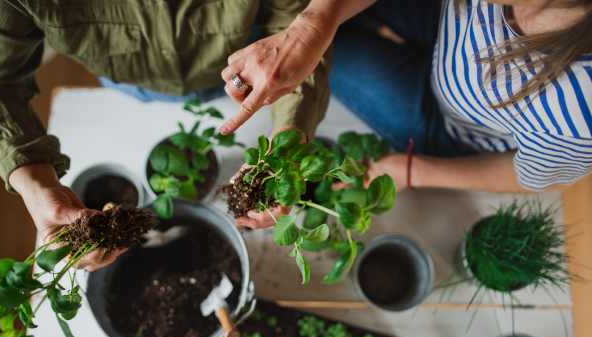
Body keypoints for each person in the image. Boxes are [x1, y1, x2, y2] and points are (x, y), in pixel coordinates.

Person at [0, 0, 332, 270]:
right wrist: (35, 184)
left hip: (244, 66)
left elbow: (290, 23)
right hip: (138, 86)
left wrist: (289, 133)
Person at [227, 0, 592, 229]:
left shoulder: (580, 112)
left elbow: (534, 175)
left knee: (336, 50)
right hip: (446, 22)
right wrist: (311, 28)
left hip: (448, 123)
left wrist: (407, 170)